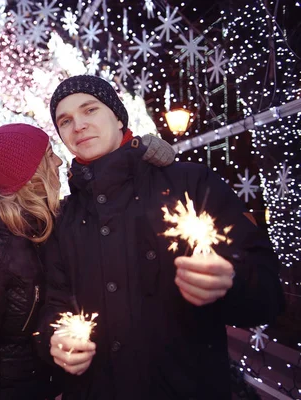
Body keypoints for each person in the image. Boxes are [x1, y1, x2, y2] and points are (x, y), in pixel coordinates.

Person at [37, 75, 285, 399]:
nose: (78, 125)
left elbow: (267, 295)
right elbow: (54, 306)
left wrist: (231, 282)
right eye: (65, 120)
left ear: (117, 115)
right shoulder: (64, 217)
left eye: (90, 110)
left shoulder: (189, 184)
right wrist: (56, 340)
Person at [0, 123, 175, 399]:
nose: (58, 160)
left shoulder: (46, 222)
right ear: (29, 172)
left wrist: (139, 154)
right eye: (48, 154)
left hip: (46, 383)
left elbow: (99, 200)